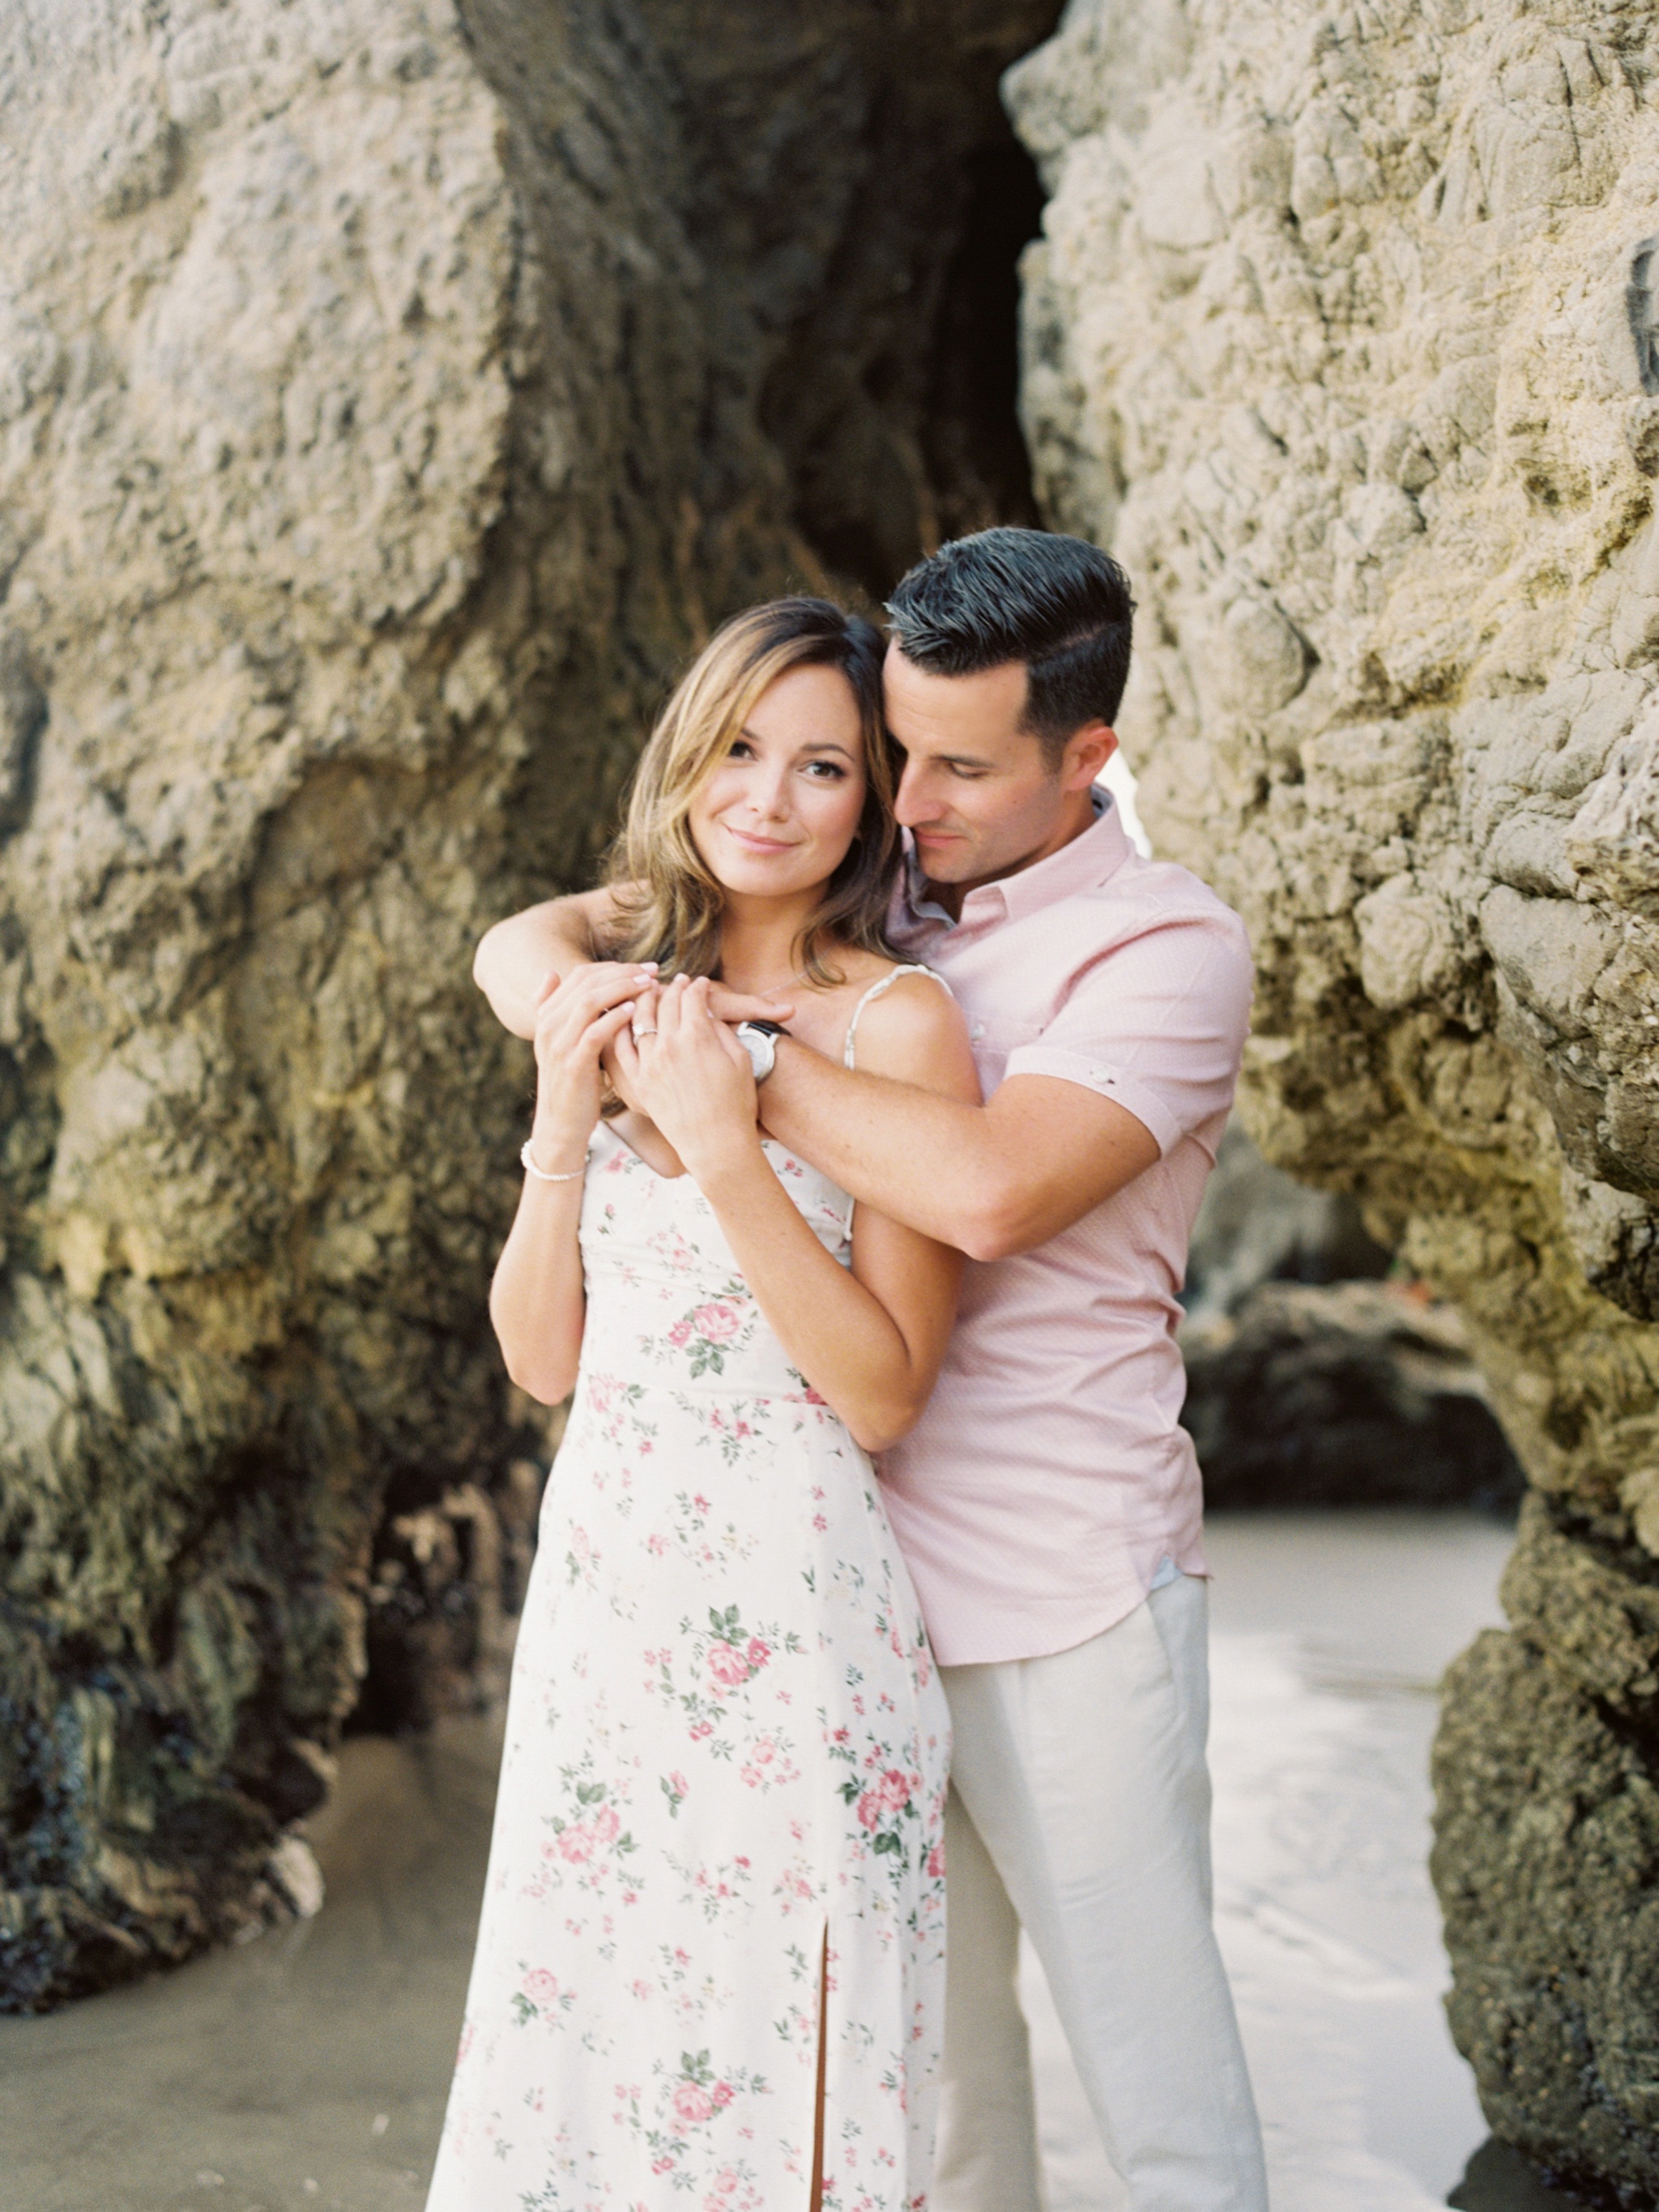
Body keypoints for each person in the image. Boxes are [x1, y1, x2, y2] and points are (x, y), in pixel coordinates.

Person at [475, 528, 1269, 2212]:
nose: (906, 800)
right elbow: (535, 936)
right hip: (833, 1602)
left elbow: (981, 1189)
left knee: (1159, 2100)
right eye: (888, 754)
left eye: (952, 765)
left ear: (1087, 757)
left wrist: (713, 1066)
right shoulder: (885, 871)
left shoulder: (1162, 950)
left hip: (1061, 1595)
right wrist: (577, 1029)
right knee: (939, 2110)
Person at [429, 597, 980, 2212]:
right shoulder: (613, 980)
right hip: (607, 1591)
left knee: (779, 2054)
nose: (767, 796)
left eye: (821, 766)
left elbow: (882, 1390)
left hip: (795, 1606)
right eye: (739, 749)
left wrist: (730, 1146)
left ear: (873, 799)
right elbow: (543, 1363)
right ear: (686, 757)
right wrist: (558, 1115)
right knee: (590, 2037)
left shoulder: (898, 1022)